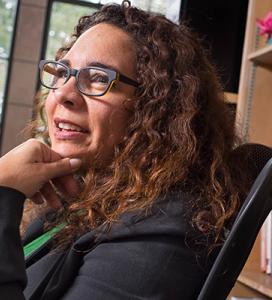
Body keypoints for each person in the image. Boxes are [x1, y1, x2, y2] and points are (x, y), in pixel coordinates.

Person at [0, 1, 243, 299]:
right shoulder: (82, 200)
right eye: (63, 73)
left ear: (155, 109)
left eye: (100, 78)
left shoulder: (160, 231)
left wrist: (2, 194)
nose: (63, 94)